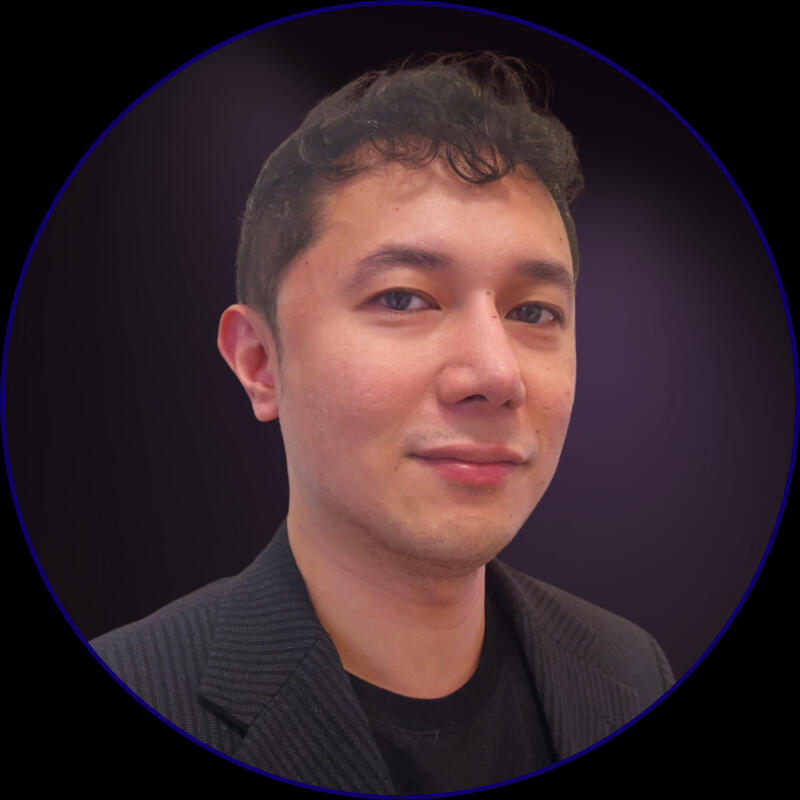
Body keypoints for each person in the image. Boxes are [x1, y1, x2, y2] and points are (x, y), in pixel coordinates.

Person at [90, 52, 674, 794]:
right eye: (403, 299)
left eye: (533, 311)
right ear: (260, 362)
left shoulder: (630, 673)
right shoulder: (140, 686)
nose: (497, 375)